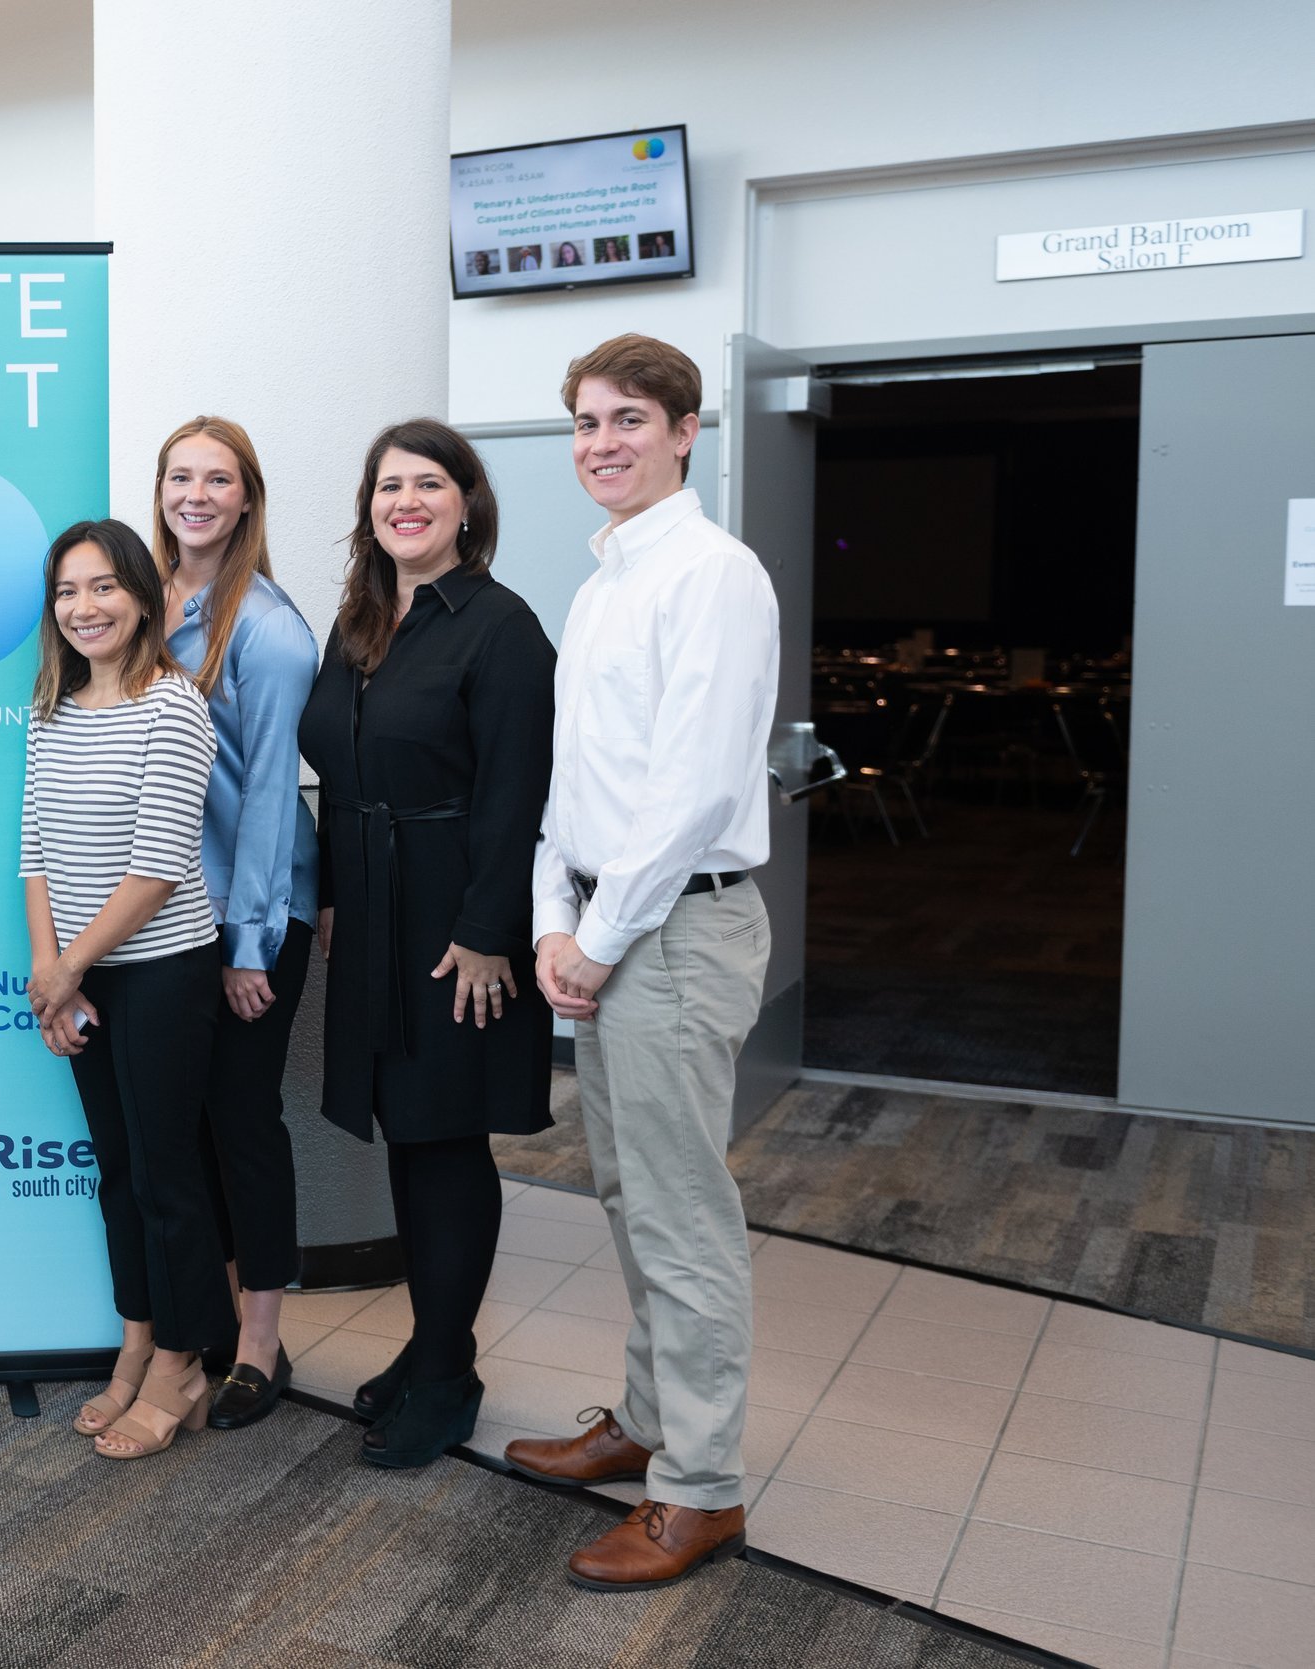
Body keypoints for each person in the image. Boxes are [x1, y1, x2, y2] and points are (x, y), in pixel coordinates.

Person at [508, 333, 778, 1591]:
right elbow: (580, 785)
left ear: (684, 431)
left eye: (626, 420)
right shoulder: (604, 578)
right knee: (628, 1197)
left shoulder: (713, 575)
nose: (599, 443)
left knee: (681, 1219)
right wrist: (552, 918)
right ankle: (649, 1420)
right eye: (583, 423)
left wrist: (596, 940)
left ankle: (701, 1489)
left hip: (675, 929)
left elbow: (686, 792)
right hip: (611, 928)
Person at [298, 419, 556, 1470]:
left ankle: (447, 1374)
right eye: (388, 485)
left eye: (429, 484)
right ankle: (429, 1341)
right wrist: (324, 898)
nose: (406, 500)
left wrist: (490, 931)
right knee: (408, 1130)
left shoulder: (501, 626)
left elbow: (516, 791)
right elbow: (338, 773)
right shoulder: (360, 620)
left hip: (457, 922)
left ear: (466, 503)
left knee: (446, 1140)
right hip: (370, 905)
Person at [22, 517, 229, 1461]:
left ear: (143, 596)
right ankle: (138, 1338)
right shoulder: (51, 708)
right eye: (68, 591)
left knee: (167, 1177)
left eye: (103, 586)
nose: (84, 607)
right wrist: (52, 972)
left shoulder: (174, 706)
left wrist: (68, 973)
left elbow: (156, 868)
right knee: (119, 1176)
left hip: (160, 973)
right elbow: (34, 852)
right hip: (83, 977)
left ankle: (184, 1364)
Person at [150, 418, 318, 1430]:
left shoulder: (268, 626)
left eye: (219, 479)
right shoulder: (142, 597)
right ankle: (207, 1319)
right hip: (170, 913)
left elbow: (267, 799)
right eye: (181, 476)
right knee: (190, 1125)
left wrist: (251, 944)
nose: (197, 494)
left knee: (245, 1124)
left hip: (250, 911)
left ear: (247, 497)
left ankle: (260, 1343)